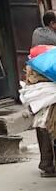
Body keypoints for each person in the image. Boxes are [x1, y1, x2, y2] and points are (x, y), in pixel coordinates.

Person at [31, 11, 56, 177]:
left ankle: (46, 163)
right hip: (48, 85)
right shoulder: (49, 37)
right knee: (49, 125)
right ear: (53, 24)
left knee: (43, 125)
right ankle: (48, 164)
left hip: (38, 86)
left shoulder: (36, 33)